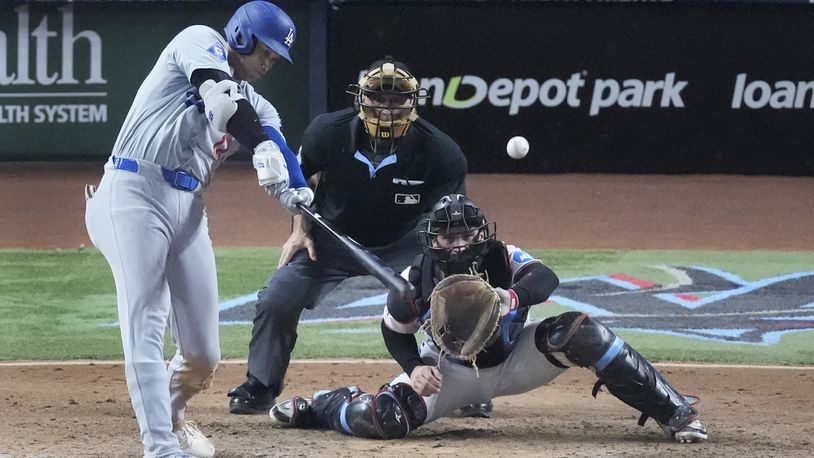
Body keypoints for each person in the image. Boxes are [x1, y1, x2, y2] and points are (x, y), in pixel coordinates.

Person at [266, 194, 709, 444]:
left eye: (466, 234)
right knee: (381, 419)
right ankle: (323, 404)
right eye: (447, 235)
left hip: (517, 362)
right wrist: (414, 368)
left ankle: (675, 412)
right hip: (450, 374)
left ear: (482, 233)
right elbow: (394, 331)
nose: (457, 244)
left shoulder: (503, 256)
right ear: (432, 239)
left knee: (581, 330)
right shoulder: (413, 279)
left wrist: (512, 296)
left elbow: (546, 278)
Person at [84, 2, 313, 457]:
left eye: (275, 58)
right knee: (146, 319)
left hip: (188, 208)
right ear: (243, 37)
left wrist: (298, 191)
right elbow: (220, 97)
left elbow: (279, 144)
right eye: (265, 51)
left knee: (203, 354)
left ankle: (170, 419)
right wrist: (260, 144)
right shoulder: (198, 40)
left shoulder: (259, 105)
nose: (269, 63)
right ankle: (161, 449)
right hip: (132, 191)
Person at [226, 57, 471, 417]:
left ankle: (466, 385)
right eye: (377, 97)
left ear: (413, 101)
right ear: (360, 98)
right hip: (332, 238)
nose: (386, 107)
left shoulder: (440, 151)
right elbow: (301, 182)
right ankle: (261, 385)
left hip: (405, 243)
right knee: (277, 298)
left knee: (453, 297)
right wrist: (299, 232)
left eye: (397, 99)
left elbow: (449, 215)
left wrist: (440, 266)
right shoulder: (326, 132)